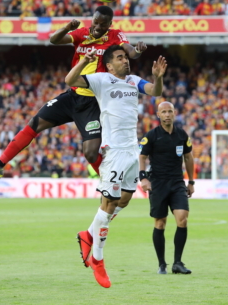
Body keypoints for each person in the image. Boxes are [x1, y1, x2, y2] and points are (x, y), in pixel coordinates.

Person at [0, 6, 147, 178]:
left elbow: (131, 52)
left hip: (93, 101)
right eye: (96, 21)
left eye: (103, 24)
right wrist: (66, 28)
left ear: (110, 24)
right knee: (35, 123)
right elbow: (54, 39)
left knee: (90, 152)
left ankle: (110, 181)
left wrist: (138, 50)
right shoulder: (81, 34)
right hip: (72, 96)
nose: (97, 26)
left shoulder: (115, 36)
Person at [66, 45, 166, 288]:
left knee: (125, 199)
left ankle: (88, 233)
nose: (125, 61)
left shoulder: (133, 80)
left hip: (132, 149)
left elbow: (154, 91)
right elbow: (70, 79)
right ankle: (98, 260)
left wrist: (158, 78)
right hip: (114, 151)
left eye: (125, 57)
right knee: (109, 203)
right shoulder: (101, 79)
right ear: (109, 65)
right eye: (120, 58)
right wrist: (83, 61)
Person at [139, 101, 194, 275]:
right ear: (158, 115)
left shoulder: (182, 135)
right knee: (160, 223)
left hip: (177, 182)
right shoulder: (152, 135)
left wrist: (191, 181)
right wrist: (143, 178)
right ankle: (162, 264)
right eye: (164, 112)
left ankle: (177, 263)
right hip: (158, 183)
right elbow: (142, 157)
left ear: (175, 113)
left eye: (170, 111)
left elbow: (189, 158)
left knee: (182, 219)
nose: (167, 114)